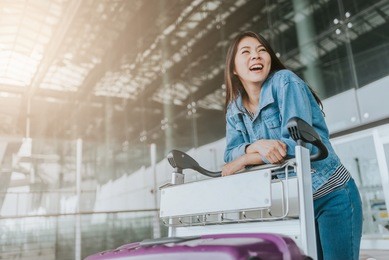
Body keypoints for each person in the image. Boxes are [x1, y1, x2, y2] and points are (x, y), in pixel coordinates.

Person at [222, 31, 362, 260]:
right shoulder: (234, 109)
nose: (255, 56)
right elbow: (230, 155)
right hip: (294, 203)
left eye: (261, 50)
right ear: (234, 69)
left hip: (332, 194)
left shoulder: (284, 81)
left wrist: (246, 158)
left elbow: (298, 146)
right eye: (246, 52)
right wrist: (256, 146)